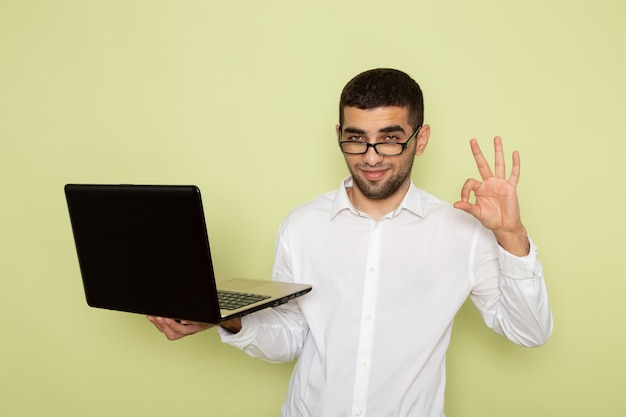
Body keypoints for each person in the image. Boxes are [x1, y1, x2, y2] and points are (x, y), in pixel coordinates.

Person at [148, 68, 553, 417]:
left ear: (421, 138)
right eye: (356, 138)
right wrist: (227, 318)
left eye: (390, 138)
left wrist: (510, 235)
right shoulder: (302, 225)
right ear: (339, 134)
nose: (371, 157)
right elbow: (291, 336)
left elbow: (530, 332)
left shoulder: (462, 231)